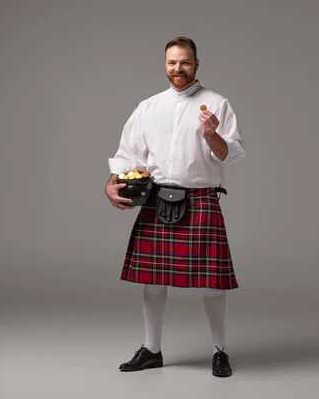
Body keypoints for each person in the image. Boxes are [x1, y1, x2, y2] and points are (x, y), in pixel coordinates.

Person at [104, 36, 245, 377]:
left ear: (197, 64)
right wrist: (111, 183)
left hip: (201, 200)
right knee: (151, 282)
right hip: (155, 198)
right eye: (171, 62)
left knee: (214, 283)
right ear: (164, 65)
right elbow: (129, 155)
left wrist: (212, 135)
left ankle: (219, 352)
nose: (177, 68)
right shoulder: (148, 106)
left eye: (184, 62)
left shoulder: (217, 104)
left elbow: (233, 154)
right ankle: (152, 350)